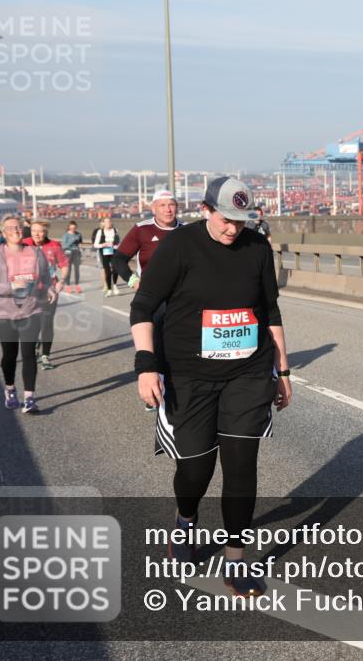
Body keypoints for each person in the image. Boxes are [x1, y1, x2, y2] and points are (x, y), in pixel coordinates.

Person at [130, 176, 292, 597]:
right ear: (205, 210)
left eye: (241, 221)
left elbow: (270, 310)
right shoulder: (179, 246)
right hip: (190, 376)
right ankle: (185, 520)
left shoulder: (257, 248)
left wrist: (283, 371)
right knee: (195, 469)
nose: (233, 228)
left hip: (247, 374)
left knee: (241, 466)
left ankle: (236, 560)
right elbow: (143, 306)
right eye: (225, 219)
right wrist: (146, 366)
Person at [113, 188, 183, 411]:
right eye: (162, 205)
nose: (168, 209)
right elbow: (118, 259)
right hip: (153, 297)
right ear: (153, 209)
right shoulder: (142, 229)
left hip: (181, 297)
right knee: (156, 344)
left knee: (180, 344)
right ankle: (154, 390)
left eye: (171, 205)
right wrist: (133, 280)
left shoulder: (187, 231)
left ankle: (177, 388)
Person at [0, 216, 55, 414]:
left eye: (19, 227)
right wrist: (10, 286)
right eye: (11, 228)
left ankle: (29, 398)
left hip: (31, 310)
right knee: (9, 355)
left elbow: (46, 277)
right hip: (3, 314)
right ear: (3, 233)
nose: (16, 230)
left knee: (29, 354)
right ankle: (10, 389)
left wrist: (49, 288)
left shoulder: (36, 253)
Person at [23, 221, 69, 370]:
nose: (36, 234)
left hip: (49, 290)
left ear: (46, 232)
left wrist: (61, 281)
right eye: (34, 231)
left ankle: (45, 356)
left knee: (47, 323)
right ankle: (35, 342)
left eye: (40, 231)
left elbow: (64, 265)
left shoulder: (54, 246)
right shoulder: (24, 244)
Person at [91, 216, 121, 296]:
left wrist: (113, 245)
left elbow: (119, 243)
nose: (108, 223)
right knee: (107, 271)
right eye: (106, 222)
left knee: (115, 269)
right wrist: (103, 245)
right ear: (103, 223)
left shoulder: (115, 230)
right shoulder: (100, 232)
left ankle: (115, 285)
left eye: (109, 222)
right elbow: (95, 245)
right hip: (104, 252)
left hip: (114, 251)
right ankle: (109, 289)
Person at [61, 221, 84, 293]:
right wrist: (72, 241)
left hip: (76, 252)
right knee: (69, 269)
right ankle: (68, 285)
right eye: (71, 228)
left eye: (74, 228)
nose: (73, 229)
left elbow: (80, 243)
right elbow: (64, 246)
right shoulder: (66, 235)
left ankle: (77, 285)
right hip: (68, 252)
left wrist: (80, 247)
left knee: (77, 269)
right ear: (69, 227)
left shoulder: (78, 234)